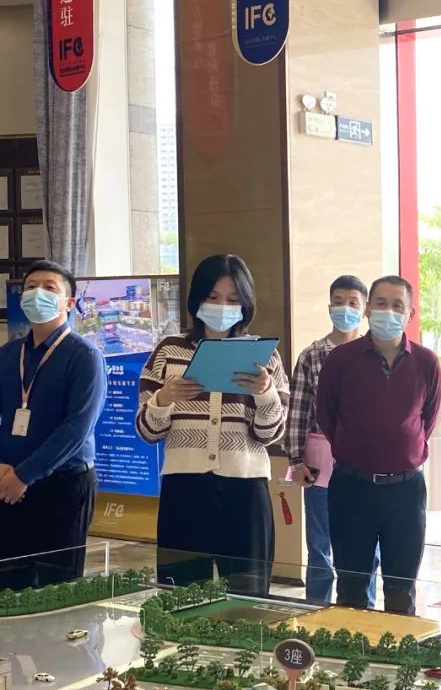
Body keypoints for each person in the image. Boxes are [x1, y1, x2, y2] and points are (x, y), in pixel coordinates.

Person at [136, 254, 289, 597]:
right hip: (184, 487)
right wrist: (164, 399)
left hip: (245, 488)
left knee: (248, 595)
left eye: (233, 299)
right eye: (213, 296)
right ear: (197, 299)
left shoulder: (264, 356)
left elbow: (270, 435)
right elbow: (147, 431)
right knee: (181, 593)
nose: (222, 306)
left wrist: (265, 393)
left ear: (245, 304)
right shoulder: (169, 351)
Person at [317, 275, 441, 614]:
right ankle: (351, 647)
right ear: (369, 309)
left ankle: (398, 648)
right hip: (351, 488)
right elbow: (326, 416)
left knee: (401, 590)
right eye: (381, 304)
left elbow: (427, 419)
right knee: (351, 588)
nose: (389, 311)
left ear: (410, 313)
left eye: (397, 305)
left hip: (405, 491)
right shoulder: (340, 359)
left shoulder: (427, 362)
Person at [0, 260, 106, 589]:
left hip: (63, 484)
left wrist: (24, 475)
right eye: (31, 287)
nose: (38, 294)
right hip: (7, 482)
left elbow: (76, 428)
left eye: (49, 288)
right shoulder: (8, 354)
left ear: (69, 302)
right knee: (9, 585)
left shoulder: (84, 356)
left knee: (57, 587)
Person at [286, 275, 379, 604]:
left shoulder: (376, 353)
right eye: (338, 302)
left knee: (366, 548)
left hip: (367, 467)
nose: (345, 308)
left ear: (365, 309)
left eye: (353, 303)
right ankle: (317, 613)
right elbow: (297, 411)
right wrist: (296, 461)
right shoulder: (312, 355)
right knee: (319, 548)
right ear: (329, 307)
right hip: (320, 464)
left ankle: (362, 612)